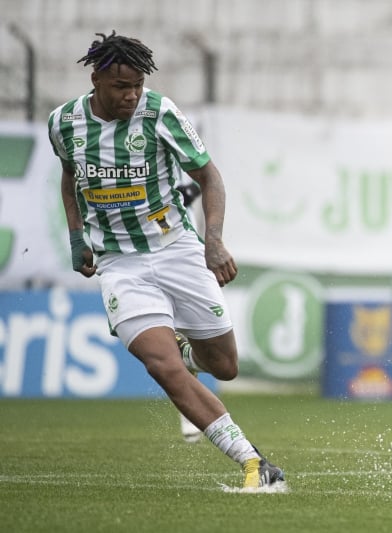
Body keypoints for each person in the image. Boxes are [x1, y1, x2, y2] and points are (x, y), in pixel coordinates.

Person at [48, 30, 284, 489]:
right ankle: (254, 462)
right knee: (161, 365)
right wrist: (77, 236)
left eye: (137, 84)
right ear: (95, 79)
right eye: (121, 86)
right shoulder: (63, 123)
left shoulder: (160, 113)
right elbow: (69, 176)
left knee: (225, 367)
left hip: (177, 249)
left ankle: (191, 356)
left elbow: (208, 176)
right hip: (120, 265)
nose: (132, 95)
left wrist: (213, 240)